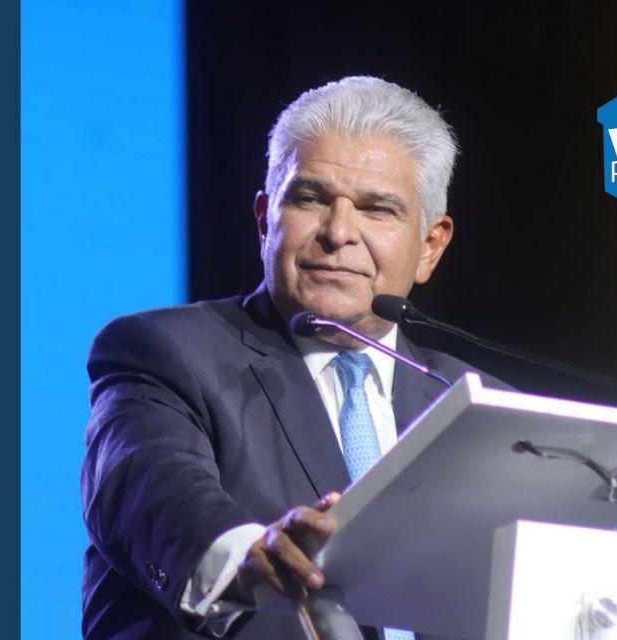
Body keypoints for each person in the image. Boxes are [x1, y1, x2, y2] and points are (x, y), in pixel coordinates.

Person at [81, 76, 502, 640]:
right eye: (310, 199)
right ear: (264, 220)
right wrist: (247, 558)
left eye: (377, 209)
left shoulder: (475, 403)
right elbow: (150, 486)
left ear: (430, 245)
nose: (339, 232)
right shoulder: (163, 353)